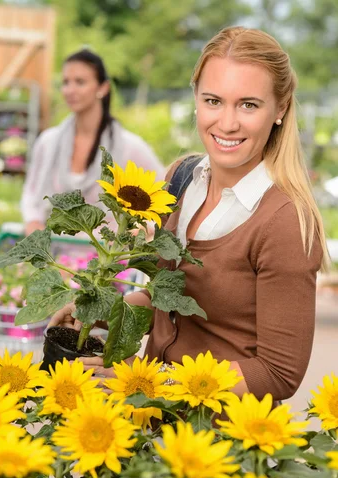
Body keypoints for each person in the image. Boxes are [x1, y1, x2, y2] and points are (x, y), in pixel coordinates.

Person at [48, 27, 329, 403]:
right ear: (196, 97)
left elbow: (277, 373)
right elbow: (172, 300)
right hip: (149, 429)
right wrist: (98, 313)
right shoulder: (181, 178)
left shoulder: (284, 220)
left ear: (280, 108)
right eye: (214, 100)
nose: (227, 123)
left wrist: (153, 381)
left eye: (248, 104)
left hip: (223, 446)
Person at [21, 49, 164, 236]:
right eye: (65, 82)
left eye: (80, 82)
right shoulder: (48, 142)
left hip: (108, 257)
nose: (70, 90)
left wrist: (142, 228)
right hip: (56, 254)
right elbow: (31, 194)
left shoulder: (129, 147)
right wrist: (33, 222)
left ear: (102, 88)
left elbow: (163, 193)